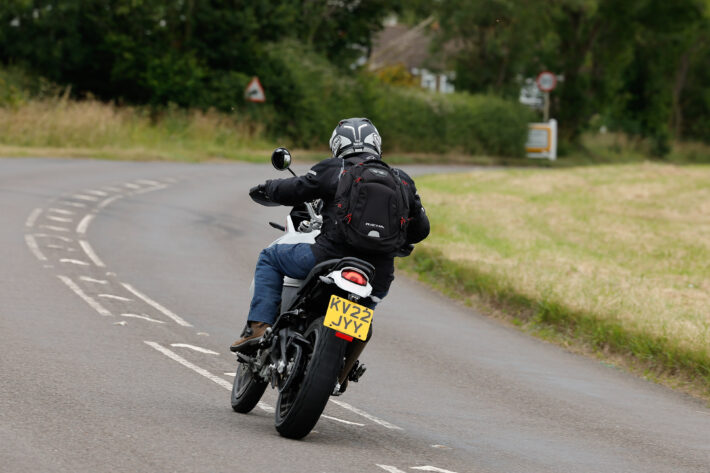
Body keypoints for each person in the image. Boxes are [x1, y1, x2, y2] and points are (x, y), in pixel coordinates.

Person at [230, 117, 430, 387]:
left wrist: (266, 188)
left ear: (337, 145)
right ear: (377, 145)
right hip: (377, 275)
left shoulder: (335, 168)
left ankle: (258, 327)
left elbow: (295, 189)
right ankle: (342, 372)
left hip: (327, 257)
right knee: (366, 313)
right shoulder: (402, 180)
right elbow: (421, 230)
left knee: (270, 258)